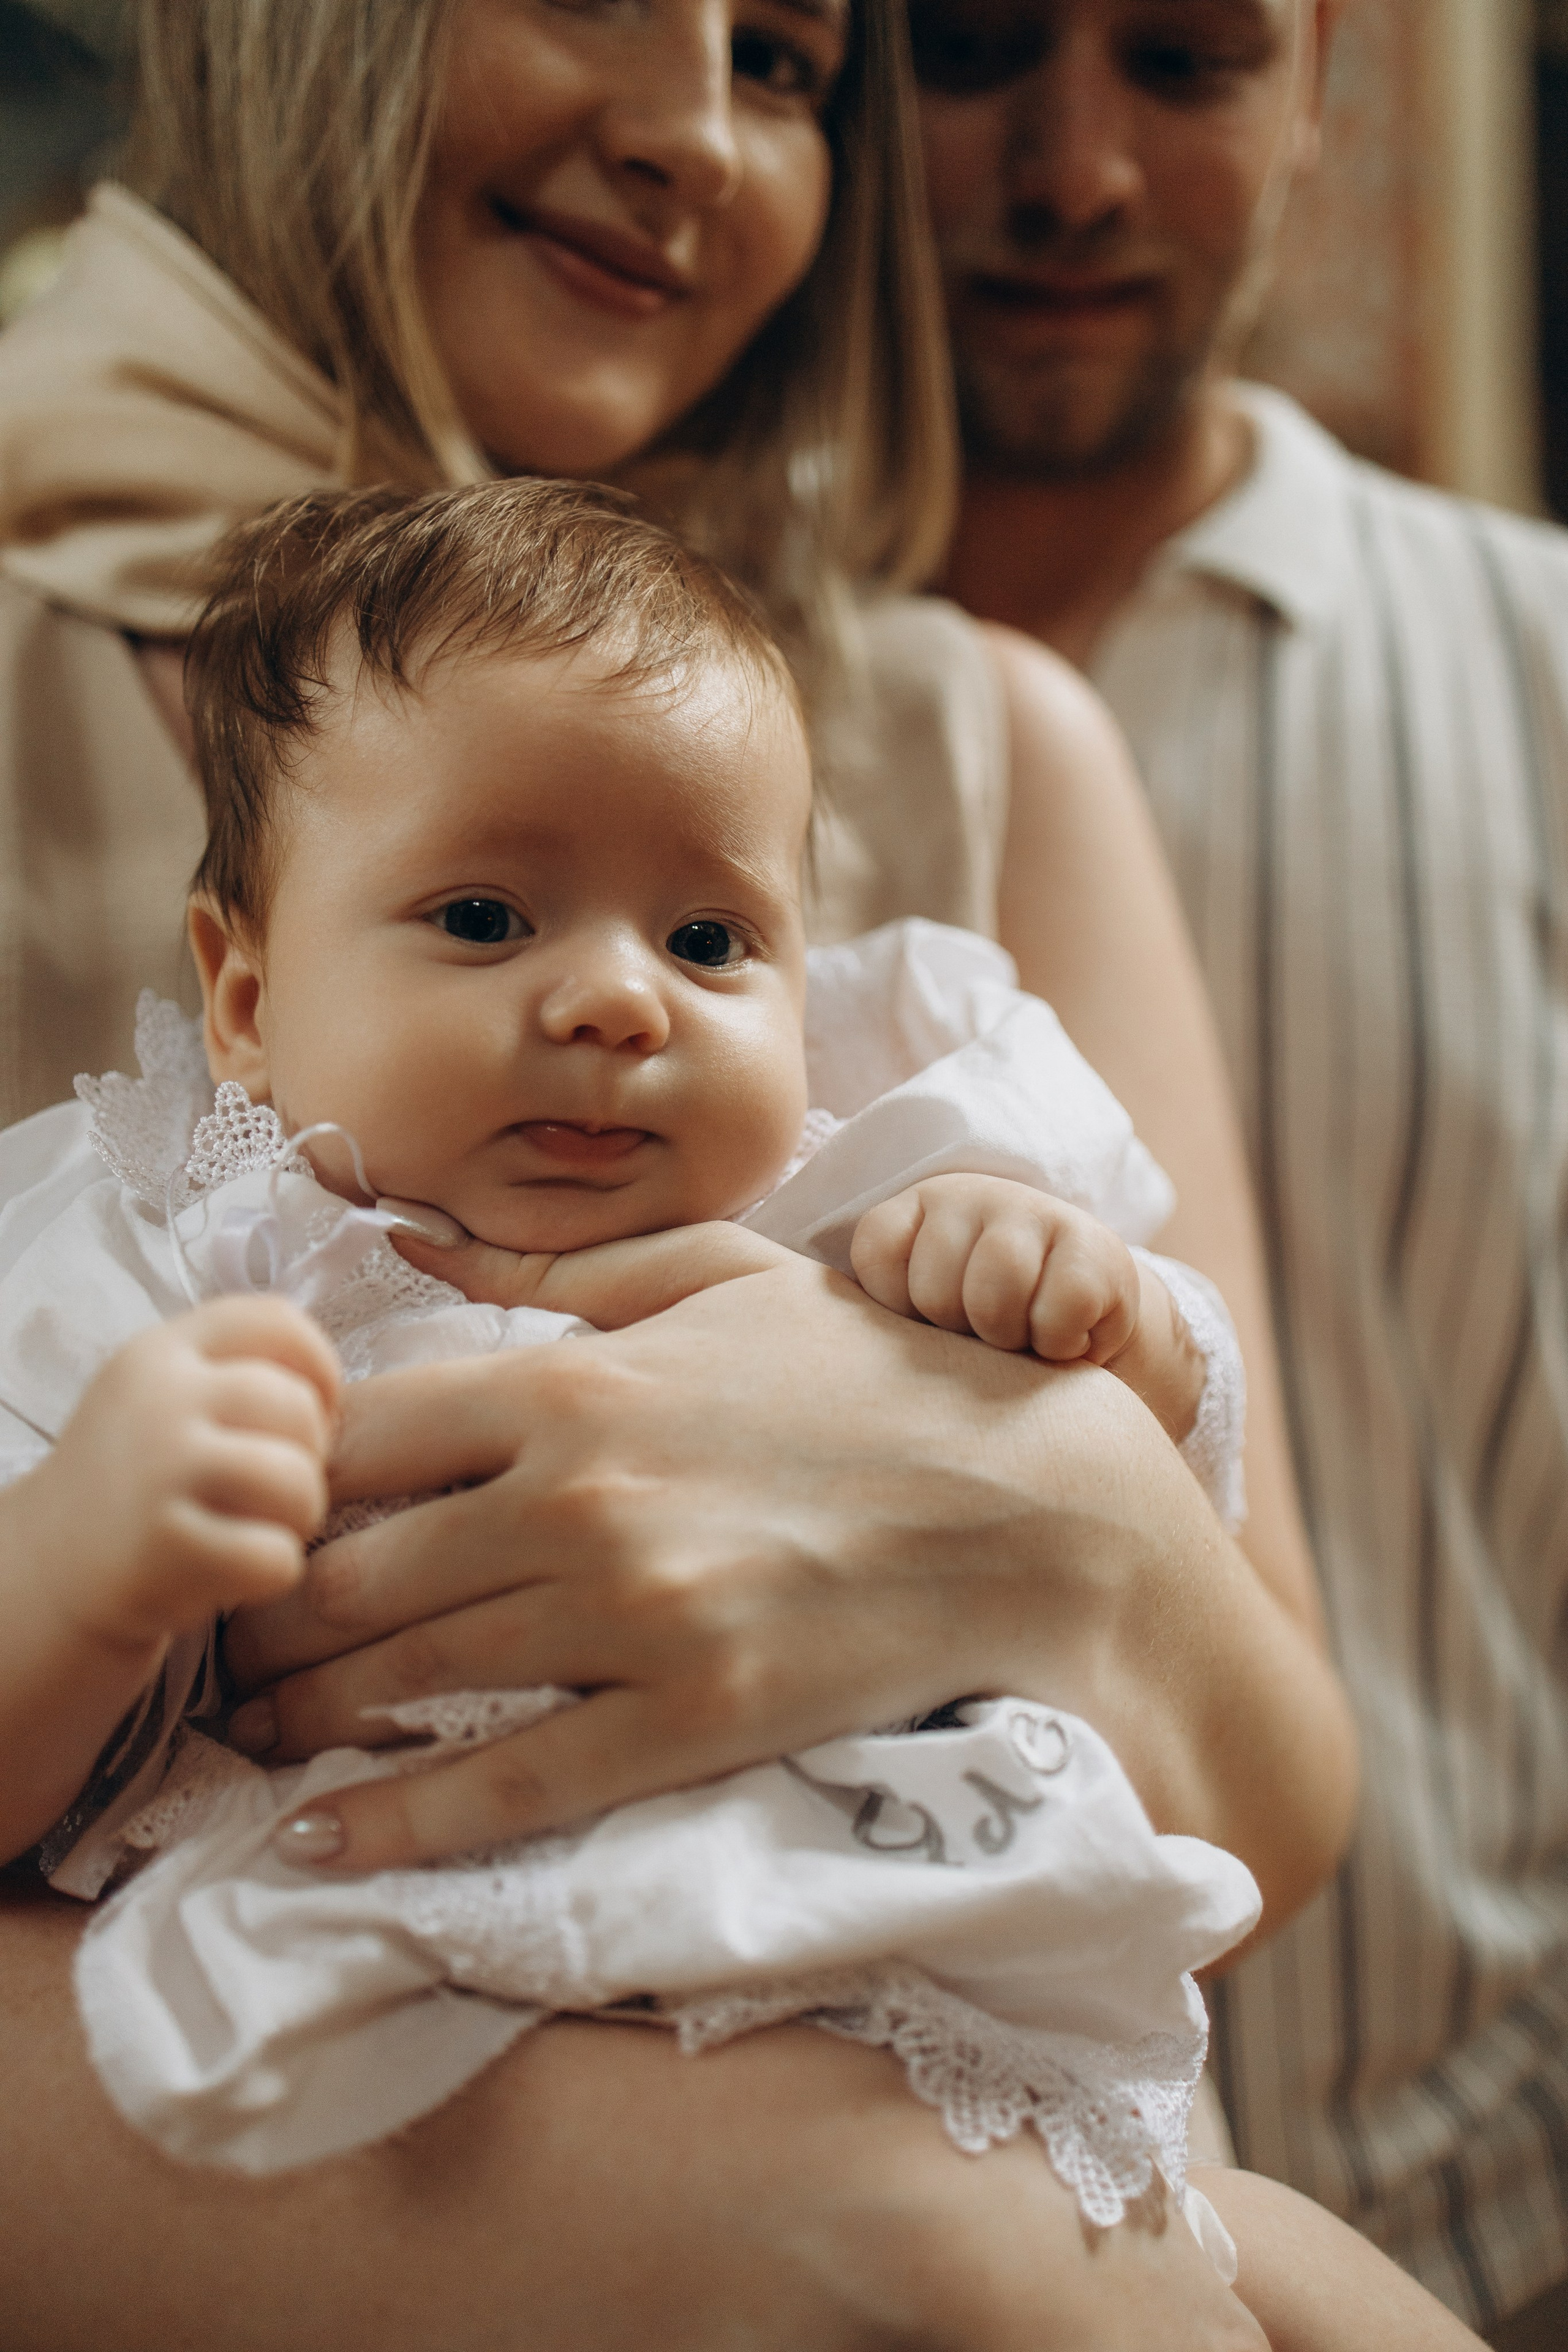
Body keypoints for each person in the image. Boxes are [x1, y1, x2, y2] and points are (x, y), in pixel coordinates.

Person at [0, 3, 1349, 2346]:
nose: (692, 140)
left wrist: (1071, 1472)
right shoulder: (140, 1183)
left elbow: (1277, 1805)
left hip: (1079, 2170)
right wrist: (839, 2237)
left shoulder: (969, 745)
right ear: (238, 981)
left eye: (793, 61)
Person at [914, 1, 1568, 2344]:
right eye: (973, 47)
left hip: (1501, 2213)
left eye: (1183, 61)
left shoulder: (1541, 679)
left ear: (1319, 95)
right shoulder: (629, 739)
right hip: (933, 2267)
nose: (1073, 171)